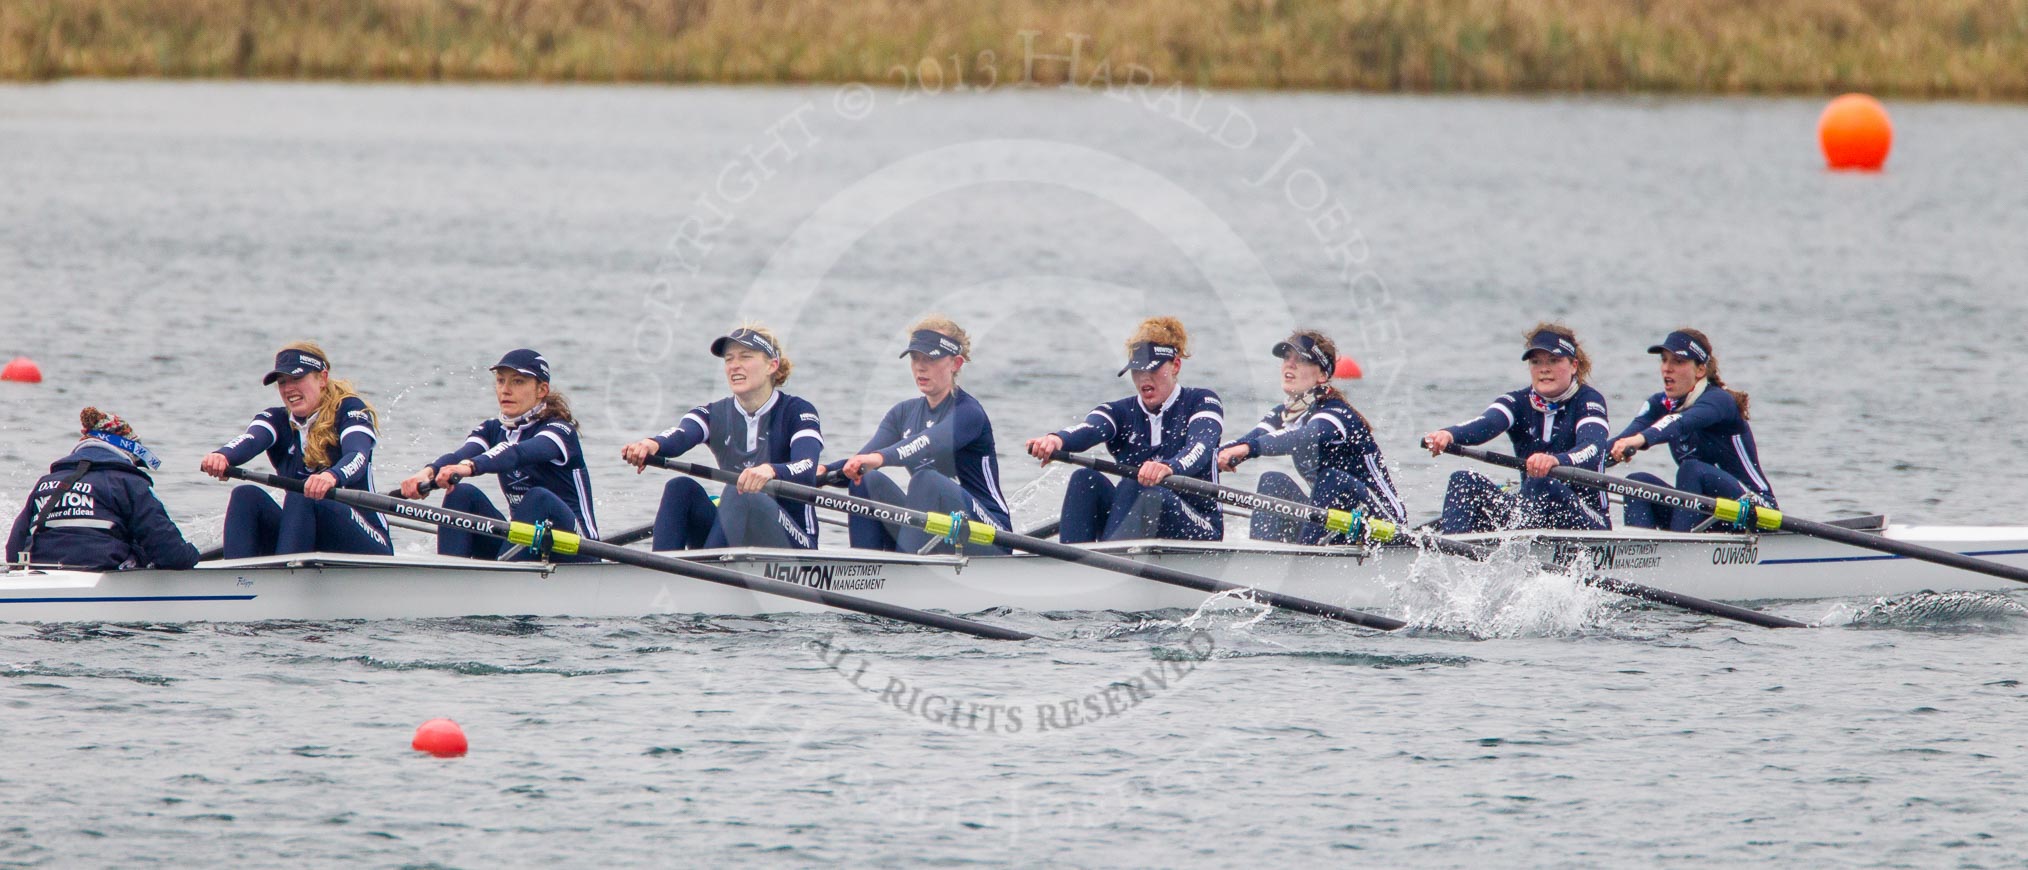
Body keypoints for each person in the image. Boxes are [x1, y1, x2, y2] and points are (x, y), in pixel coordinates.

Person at [620, 325, 824, 550]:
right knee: (680, 488)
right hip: (732, 532)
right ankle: (663, 572)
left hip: (794, 541)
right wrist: (652, 444)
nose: (734, 365)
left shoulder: (798, 411)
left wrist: (771, 470)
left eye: (745, 357)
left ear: (771, 365)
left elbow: (806, 467)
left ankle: (704, 575)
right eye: (728, 359)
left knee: (740, 492)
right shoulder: (713, 414)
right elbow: (682, 434)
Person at [1027, 316, 1225, 543]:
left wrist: (1168, 467)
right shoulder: (1120, 411)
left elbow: (1201, 447)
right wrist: (1056, 440)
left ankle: (1105, 568)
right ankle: (1072, 565)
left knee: (1139, 484)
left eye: (1152, 370)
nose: (1144, 378)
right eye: (1137, 371)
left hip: (1200, 523)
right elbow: (1091, 428)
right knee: (1084, 479)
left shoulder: (1202, 401)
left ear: (1175, 365)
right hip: (1136, 516)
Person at [828, 316, 1012, 555]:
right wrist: (818, 472)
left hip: (989, 533)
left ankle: (904, 573)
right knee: (865, 478)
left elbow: (927, 443)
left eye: (931, 358)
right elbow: (860, 462)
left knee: (926, 479)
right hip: (940, 530)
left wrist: (878, 459)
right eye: (915, 358)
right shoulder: (902, 413)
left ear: (956, 363)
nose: (920, 367)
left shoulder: (968, 413)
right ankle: (866, 570)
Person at [399, 349, 598, 562]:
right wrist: (427, 473)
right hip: (524, 544)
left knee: (537, 498)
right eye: (501, 381)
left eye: (518, 382)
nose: (506, 390)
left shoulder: (559, 431)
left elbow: (517, 453)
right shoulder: (493, 429)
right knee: (461, 493)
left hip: (575, 547)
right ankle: (450, 577)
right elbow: (460, 455)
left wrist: (470, 467)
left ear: (542, 390)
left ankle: (500, 577)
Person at [201, 342, 393, 557]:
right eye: (282, 382)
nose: (288, 388)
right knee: (245, 495)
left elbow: (357, 454)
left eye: (297, 378)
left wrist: (331, 476)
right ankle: (238, 580)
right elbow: (251, 439)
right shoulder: (276, 420)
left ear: (322, 378)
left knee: (301, 494)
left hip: (366, 539)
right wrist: (222, 456)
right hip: (305, 534)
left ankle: (285, 581)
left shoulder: (351, 411)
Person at [1217, 330, 1406, 544]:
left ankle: (1303, 558)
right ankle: (1263, 558)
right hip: (1338, 520)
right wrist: (1190, 462)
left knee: (1330, 478)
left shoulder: (1336, 414)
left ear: (1322, 376)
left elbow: (1301, 438)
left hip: (1385, 525)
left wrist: (1247, 450)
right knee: (1272, 481)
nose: (1290, 364)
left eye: (1302, 359)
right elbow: (1247, 441)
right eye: (1287, 357)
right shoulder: (1286, 413)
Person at [1421, 323, 1611, 534]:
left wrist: (1556, 460)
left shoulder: (1589, 401)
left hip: (1590, 520)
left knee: (1542, 483)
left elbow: (1592, 448)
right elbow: (1486, 424)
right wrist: (1448, 434)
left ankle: (1518, 557)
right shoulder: (1517, 402)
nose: (1544, 369)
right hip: (1530, 510)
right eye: (1536, 362)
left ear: (1574, 365)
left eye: (1554, 360)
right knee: (1463, 481)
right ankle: (1454, 556)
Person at [1611, 329, 1776, 531]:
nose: (1667, 368)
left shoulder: (1719, 401)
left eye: (1678, 362)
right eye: (1664, 360)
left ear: (1700, 370)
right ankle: (1638, 557)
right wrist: (1565, 461)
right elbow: (1619, 442)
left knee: (1691, 469)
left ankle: (1680, 551)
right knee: (1636, 484)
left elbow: (1681, 422)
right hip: (1707, 513)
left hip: (1755, 510)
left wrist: (1639, 441)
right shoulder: (1659, 404)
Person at [7, 408, 200, 571]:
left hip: (39, 574)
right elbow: (171, 554)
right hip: (101, 577)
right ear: (127, 451)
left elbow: (13, 549)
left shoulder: (47, 482)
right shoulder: (128, 482)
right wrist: (191, 555)